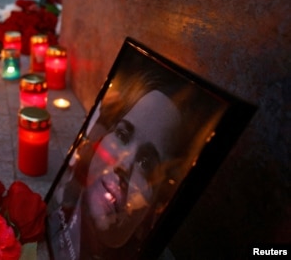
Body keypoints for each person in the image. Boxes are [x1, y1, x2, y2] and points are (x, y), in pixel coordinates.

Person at [46, 67, 221, 259]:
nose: (124, 165)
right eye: (122, 135)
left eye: (146, 163)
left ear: (162, 199)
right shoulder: (59, 209)